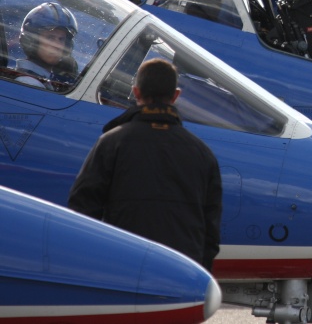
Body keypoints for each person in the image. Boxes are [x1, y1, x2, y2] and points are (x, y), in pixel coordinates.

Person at [68, 58, 222, 272]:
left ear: (136, 93)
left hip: (122, 267)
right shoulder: (202, 154)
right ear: (176, 96)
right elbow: (211, 233)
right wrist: (198, 272)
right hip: (182, 273)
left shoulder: (111, 143)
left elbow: (82, 209)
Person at [15, 2, 79, 90]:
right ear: (31, 41)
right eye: (50, 38)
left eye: (61, 39)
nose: (58, 45)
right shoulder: (28, 83)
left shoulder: (44, 80)